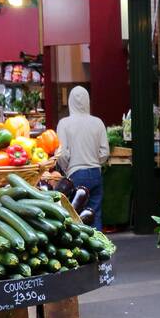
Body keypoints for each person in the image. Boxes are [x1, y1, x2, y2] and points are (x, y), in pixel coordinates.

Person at [56, 85, 110, 229]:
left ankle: (82, 250)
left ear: (70, 101)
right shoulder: (98, 122)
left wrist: (67, 168)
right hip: (95, 172)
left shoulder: (64, 124)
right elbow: (105, 152)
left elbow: (62, 154)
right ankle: (99, 249)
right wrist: (94, 161)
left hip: (75, 174)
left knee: (76, 215)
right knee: (95, 213)